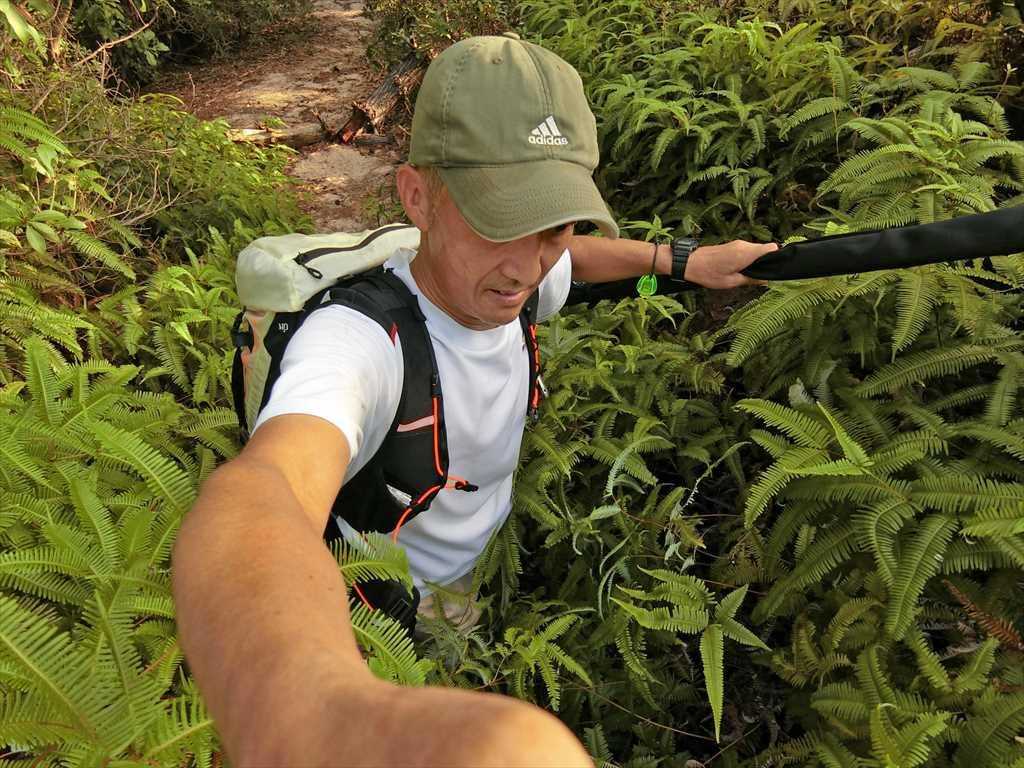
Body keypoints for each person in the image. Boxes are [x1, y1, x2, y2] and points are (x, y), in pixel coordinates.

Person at [171, 33, 777, 766]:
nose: (526, 267)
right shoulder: (358, 345)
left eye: (553, 225)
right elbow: (259, 494)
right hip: (393, 603)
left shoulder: (515, 276)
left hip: (477, 559)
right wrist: (316, 713)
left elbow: (579, 265)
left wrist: (683, 263)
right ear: (417, 197)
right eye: (498, 222)